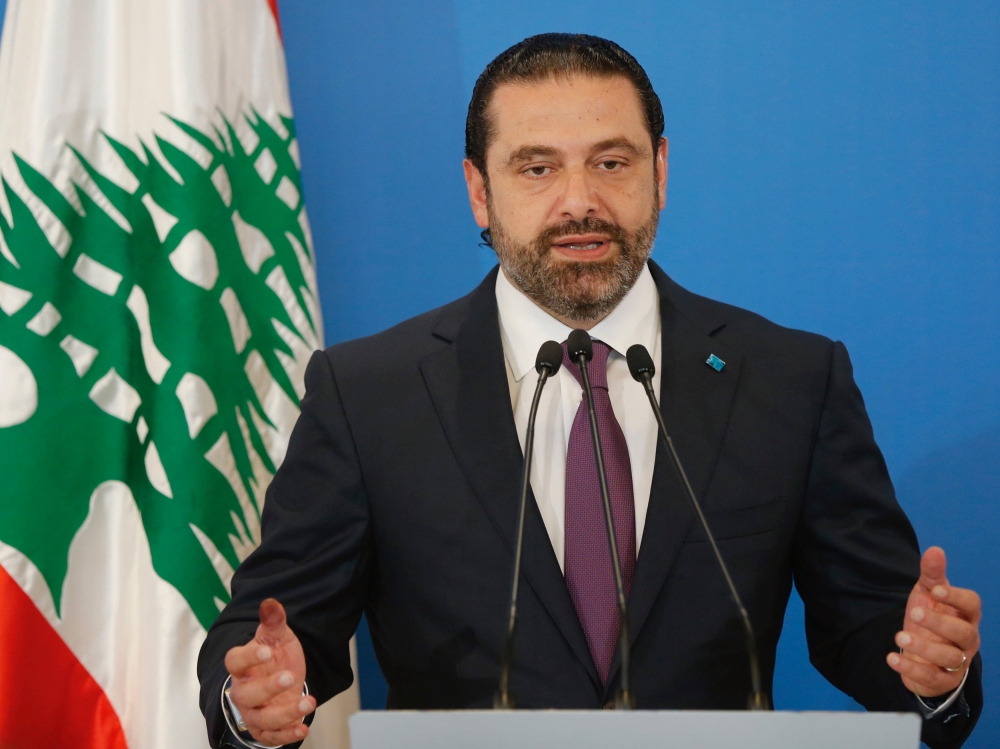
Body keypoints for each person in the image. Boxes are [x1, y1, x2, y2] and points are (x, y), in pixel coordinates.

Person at [198, 34, 983, 749]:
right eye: (537, 167)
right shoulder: (368, 392)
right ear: (479, 190)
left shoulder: (791, 378)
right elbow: (274, 626)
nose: (579, 200)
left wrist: (928, 671)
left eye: (612, 162)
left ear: (660, 171)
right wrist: (254, 694)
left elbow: (875, 624)